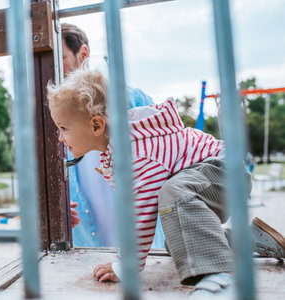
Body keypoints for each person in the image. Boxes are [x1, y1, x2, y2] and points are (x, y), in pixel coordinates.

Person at [47, 68, 285, 296]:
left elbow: (142, 214)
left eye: (63, 128)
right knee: (181, 241)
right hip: (211, 178)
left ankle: (219, 280)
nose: (60, 137)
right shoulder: (118, 151)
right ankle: (253, 239)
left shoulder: (135, 153)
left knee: (173, 192)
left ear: (96, 125)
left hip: (227, 173)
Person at [61, 23, 164, 248]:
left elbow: (166, 170)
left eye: (61, 60)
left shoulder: (136, 102)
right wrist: (56, 207)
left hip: (144, 249)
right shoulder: (56, 117)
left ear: (83, 55)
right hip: (88, 248)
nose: (54, 71)